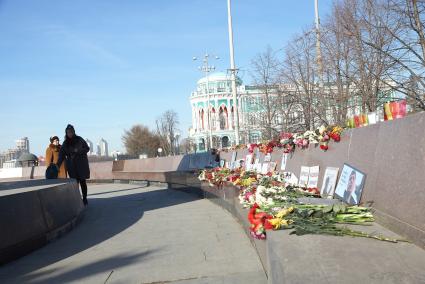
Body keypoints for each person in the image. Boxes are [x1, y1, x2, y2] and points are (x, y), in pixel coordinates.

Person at [56, 124, 90, 205]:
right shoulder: (65, 143)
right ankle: (77, 199)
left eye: (71, 132)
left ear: (74, 132)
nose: (70, 133)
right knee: (75, 183)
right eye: (68, 132)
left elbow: (87, 148)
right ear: (66, 133)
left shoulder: (80, 139)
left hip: (81, 164)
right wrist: (57, 166)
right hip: (72, 166)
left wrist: (78, 150)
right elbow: (61, 156)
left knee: (82, 181)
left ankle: (84, 198)